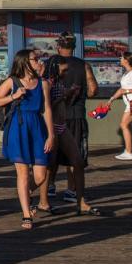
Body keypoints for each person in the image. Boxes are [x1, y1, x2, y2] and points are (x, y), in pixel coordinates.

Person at [0, 49, 55, 230]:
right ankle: (27, 214)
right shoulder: (12, 81)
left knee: (41, 175)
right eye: (35, 59)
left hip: (37, 126)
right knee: (22, 173)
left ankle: (25, 193)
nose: (38, 62)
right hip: (18, 127)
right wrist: (14, 96)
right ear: (25, 62)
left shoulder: (43, 83)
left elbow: (47, 109)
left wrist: (51, 135)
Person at [46, 32, 97, 204]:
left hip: (53, 116)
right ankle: (71, 190)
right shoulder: (84, 65)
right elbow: (92, 90)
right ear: (74, 47)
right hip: (75, 115)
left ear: (58, 47)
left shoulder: (50, 64)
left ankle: (50, 186)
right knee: (74, 156)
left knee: (51, 153)